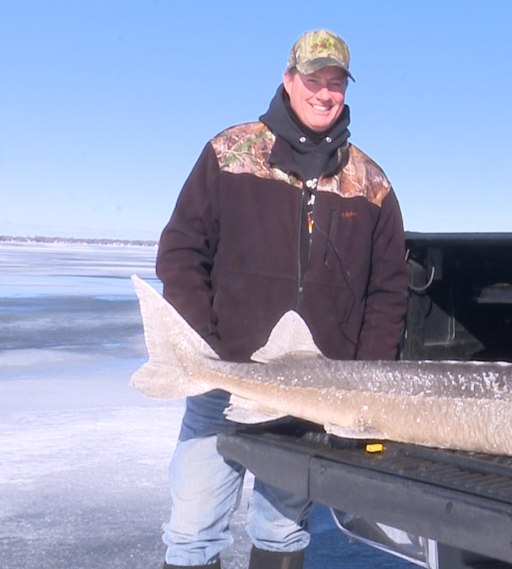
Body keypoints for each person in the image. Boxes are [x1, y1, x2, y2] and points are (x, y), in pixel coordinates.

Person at [154, 29, 408, 569]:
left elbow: (388, 292)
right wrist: (211, 351)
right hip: (223, 381)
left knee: (283, 532)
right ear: (288, 81)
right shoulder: (232, 154)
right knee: (193, 532)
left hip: (310, 393)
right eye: (312, 80)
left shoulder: (372, 184)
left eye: (334, 83)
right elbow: (181, 252)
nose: (323, 93)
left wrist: (360, 384)